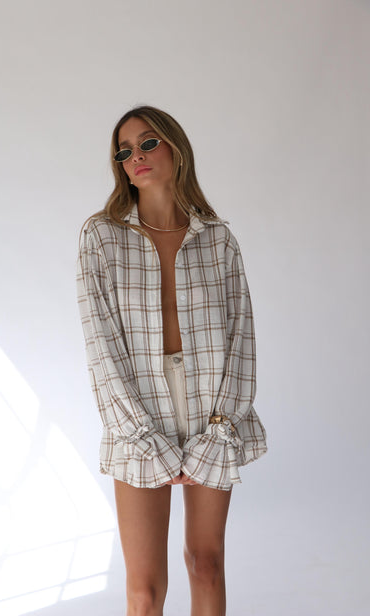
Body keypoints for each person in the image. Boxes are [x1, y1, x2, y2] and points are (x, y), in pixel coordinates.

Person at [76, 104, 267, 616]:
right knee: (144, 590)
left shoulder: (219, 239)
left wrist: (220, 429)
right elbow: (101, 346)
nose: (135, 156)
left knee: (207, 564)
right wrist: (141, 435)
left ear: (176, 149)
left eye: (147, 143)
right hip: (137, 411)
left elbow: (242, 340)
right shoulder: (101, 237)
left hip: (212, 410)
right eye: (124, 151)